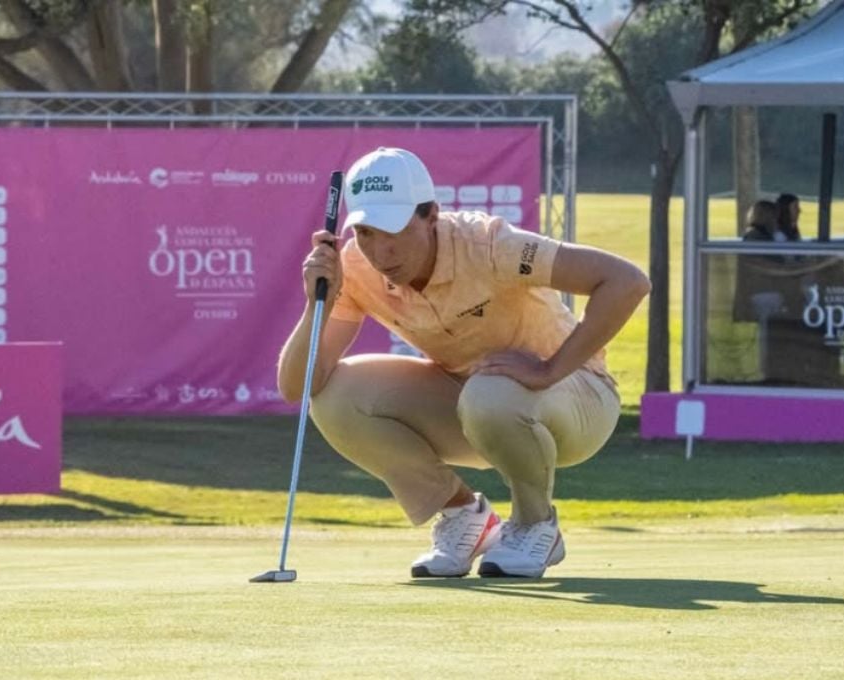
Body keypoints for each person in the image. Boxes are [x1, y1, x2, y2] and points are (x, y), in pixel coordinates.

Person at [277, 147, 650, 579]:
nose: (381, 251)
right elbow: (297, 386)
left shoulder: (489, 244)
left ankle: (535, 524)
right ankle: (463, 516)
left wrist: (550, 369)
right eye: (366, 232)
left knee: (488, 395)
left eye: (394, 230)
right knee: (334, 397)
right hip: (475, 404)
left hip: (579, 398)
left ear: (431, 214)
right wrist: (313, 306)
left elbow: (626, 281)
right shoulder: (355, 267)